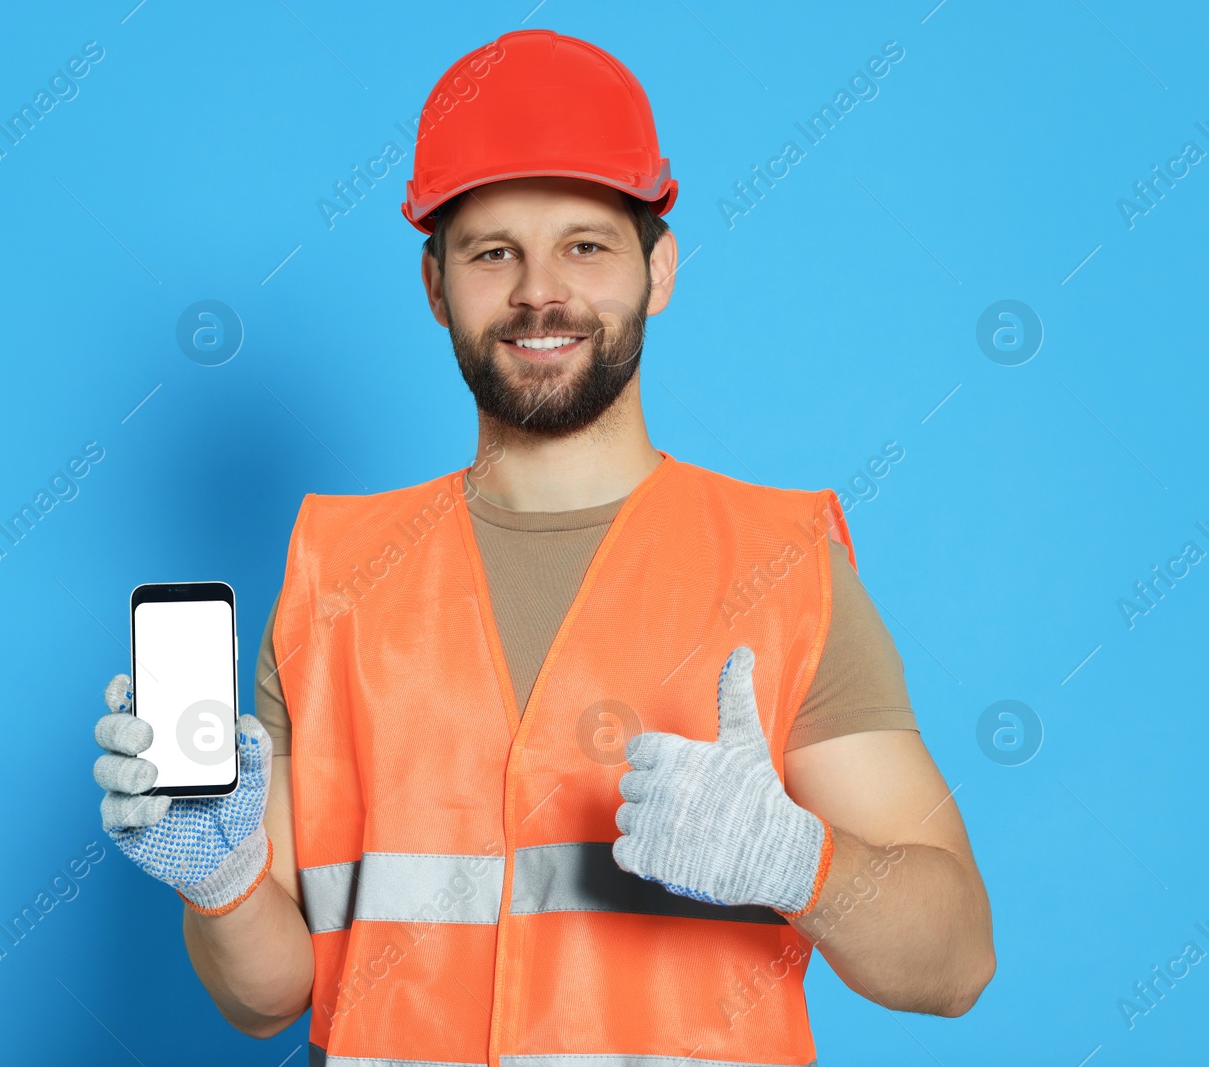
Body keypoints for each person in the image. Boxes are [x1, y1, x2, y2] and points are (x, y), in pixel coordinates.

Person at [92, 28, 993, 1066]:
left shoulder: (782, 567)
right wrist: (222, 881)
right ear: (434, 287)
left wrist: (803, 864)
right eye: (491, 251)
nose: (537, 291)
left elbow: (957, 958)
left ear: (658, 267)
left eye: (585, 244)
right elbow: (267, 998)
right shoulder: (334, 578)